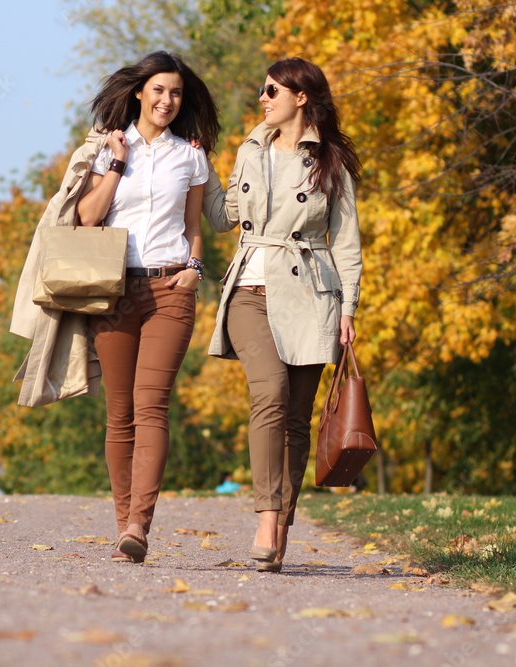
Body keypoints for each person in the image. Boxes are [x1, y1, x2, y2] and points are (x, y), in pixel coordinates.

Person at [202, 57, 363, 573]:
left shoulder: (330, 161)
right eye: (262, 89)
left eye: (272, 90)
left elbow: (347, 244)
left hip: (311, 296)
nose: (262, 98)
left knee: (296, 417)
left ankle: (281, 528)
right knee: (269, 394)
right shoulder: (251, 152)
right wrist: (200, 165)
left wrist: (349, 309)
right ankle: (267, 517)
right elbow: (223, 217)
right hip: (250, 289)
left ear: (301, 97)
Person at [76, 51, 220, 563]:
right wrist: (117, 162)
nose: (167, 100)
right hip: (115, 290)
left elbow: (195, 226)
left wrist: (194, 268)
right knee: (120, 414)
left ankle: (140, 523)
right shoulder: (109, 148)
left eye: (176, 92)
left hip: (169, 290)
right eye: (159, 89)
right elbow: (88, 216)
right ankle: (124, 528)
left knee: (151, 404)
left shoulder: (191, 156)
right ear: (139, 91)